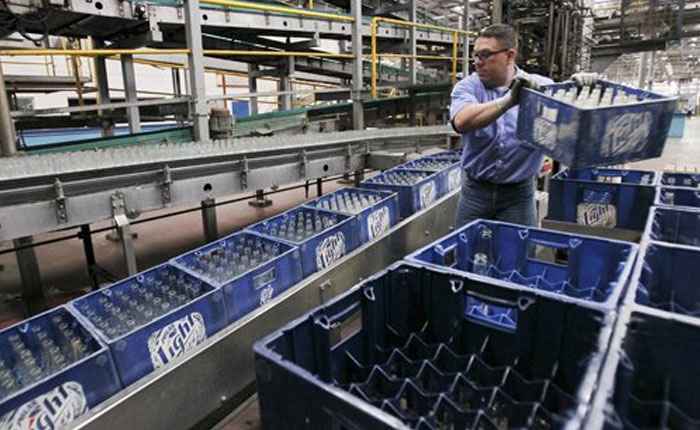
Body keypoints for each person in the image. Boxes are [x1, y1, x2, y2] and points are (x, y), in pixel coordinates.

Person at [450, 23, 594, 227]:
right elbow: (462, 121)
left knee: (520, 246)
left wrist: (579, 92)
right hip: (475, 193)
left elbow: (573, 128)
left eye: (485, 55)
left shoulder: (541, 87)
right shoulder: (468, 87)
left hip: (518, 196)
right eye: (475, 55)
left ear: (509, 55)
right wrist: (509, 101)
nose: (477, 62)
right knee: (468, 245)